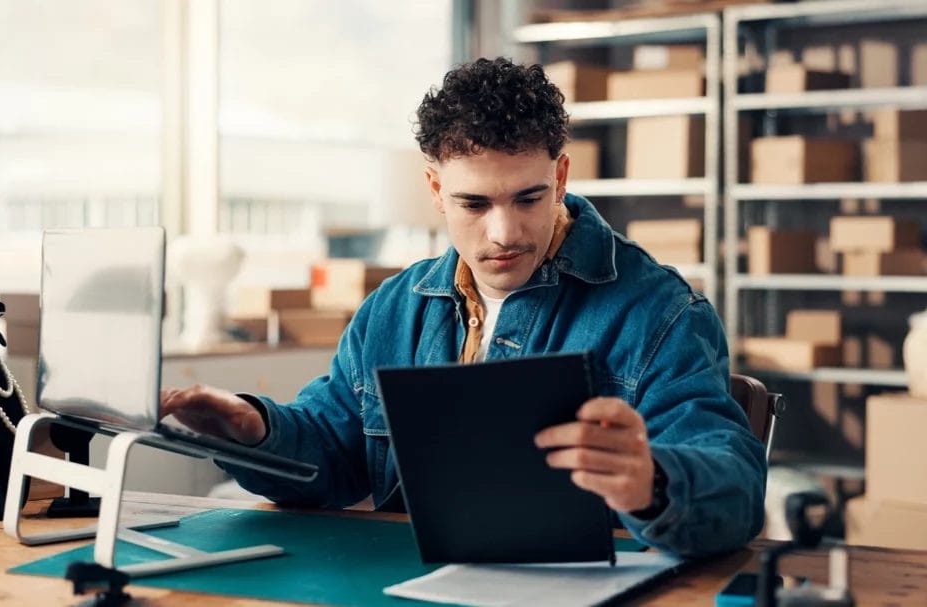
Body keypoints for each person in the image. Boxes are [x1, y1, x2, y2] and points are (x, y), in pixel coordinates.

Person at [161, 56, 767, 557]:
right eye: (474, 204)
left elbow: (734, 487)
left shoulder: (662, 313)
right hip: (404, 585)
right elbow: (331, 454)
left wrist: (652, 482)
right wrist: (254, 430)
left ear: (560, 176)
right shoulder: (393, 308)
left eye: (528, 197)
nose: (504, 232)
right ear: (435, 190)